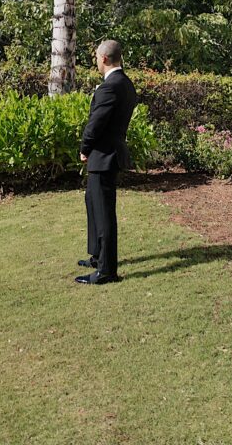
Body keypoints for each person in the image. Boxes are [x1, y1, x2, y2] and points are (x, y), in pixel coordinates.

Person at [75, 39, 137, 285]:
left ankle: (106, 270)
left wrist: (85, 147)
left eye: (96, 59)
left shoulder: (110, 87)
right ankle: (98, 255)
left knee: (104, 213)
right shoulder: (126, 84)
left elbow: (96, 123)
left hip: (103, 155)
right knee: (93, 202)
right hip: (109, 154)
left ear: (103, 58)